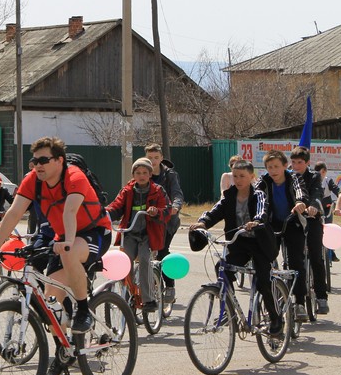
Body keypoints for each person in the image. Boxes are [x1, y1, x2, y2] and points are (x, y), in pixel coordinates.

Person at [0, 136, 111, 339]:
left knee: (69, 254)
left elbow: (70, 211)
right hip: (63, 238)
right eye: (35, 161)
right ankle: (63, 354)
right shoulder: (33, 180)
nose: (37, 165)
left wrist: (68, 241)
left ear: (59, 160)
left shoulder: (74, 176)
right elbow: (14, 213)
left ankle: (83, 309)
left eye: (43, 160)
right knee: (50, 305)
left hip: (93, 232)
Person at [190, 160, 284, 335]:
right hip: (239, 244)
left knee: (263, 280)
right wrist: (202, 222)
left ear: (251, 177)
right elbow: (215, 212)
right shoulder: (229, 195)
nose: (238, 180)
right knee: (222, 268)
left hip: (260, 244)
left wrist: (256, 221)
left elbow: (262, 211)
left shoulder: (259, 194)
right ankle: (228, 310)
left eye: (242, 176)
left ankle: (275, 317)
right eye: (235, 176)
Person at [106, 157, 170, 312]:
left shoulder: (158, 191)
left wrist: (157, 212)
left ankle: (149, 300)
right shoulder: (127, 191)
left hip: (148, 235)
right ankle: (127, 294)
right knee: (123, 261)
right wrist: (105, 213)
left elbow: (166, 209)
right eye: (138, 172)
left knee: (144, 260)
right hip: (130, 234)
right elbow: (117, 206)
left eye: (144, 172)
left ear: (150, 175)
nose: (141, 175)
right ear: (133, 175)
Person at [254, 149, 310, 322]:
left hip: (292, 222)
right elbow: (256, 196)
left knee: (295, 262)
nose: (273, 170)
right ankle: (273, 294)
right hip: (271, 224)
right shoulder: (264, 181)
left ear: (285, 166)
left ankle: (300, 302)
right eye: (269, 167)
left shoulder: (294, 178)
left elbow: (300, 191)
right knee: (267, 261)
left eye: (277, 166)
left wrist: (301, 202)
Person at [289, 146, 329, 314]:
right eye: (293, 162)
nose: (296, 166)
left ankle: (321, 297)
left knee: (316, 257)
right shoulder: (288, 177)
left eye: (299, 162)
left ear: (307, 163)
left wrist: (313, 206)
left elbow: (317, 193)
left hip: (312, 219)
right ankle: (296, 300)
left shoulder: (314, 177)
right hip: (293, 221)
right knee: (292, 259)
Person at [145, 143, 184, 305]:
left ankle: (169, 286)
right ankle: (147, 285)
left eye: (156, 157)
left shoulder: (170, 175)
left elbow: (177, 193)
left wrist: (175, 206)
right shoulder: (142, 173)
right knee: (143, 253)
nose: (152, 161)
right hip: (148, 219)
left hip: (167, 220)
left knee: (162, 251)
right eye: (149, 158)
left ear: (161, 158)